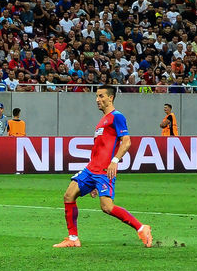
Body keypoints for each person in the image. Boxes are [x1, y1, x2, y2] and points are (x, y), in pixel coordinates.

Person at [54, 86, 153, 249]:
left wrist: (115, 160)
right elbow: (99, 149)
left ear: (110, 98)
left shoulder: (117, 117)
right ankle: (73, 238)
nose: (97, 99)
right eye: (97, 96)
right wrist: (91, 182)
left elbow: (126, 141)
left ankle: (142, 228)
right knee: (68, 195)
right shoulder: (102, 120)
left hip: (103, 171)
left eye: (101, 96)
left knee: (107, 207)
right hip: (91, 169)